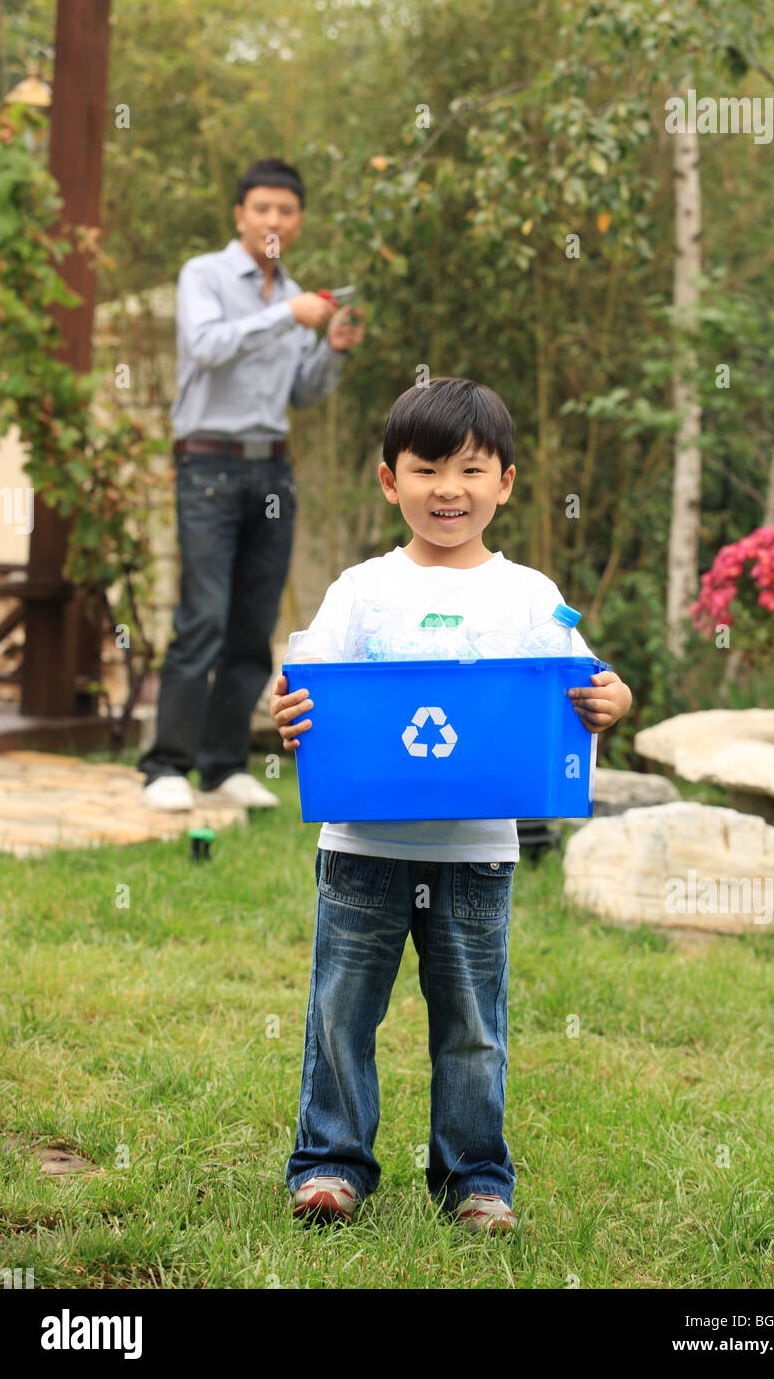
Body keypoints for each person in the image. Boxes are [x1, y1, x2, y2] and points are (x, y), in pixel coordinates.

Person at [270, 377, 632, 1232]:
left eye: (471, 469)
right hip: (361, 845)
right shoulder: (362, 590)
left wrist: (614, 699)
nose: (448, 489)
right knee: (339, 1013)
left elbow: (585, 685)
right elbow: (303, 686)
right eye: (425, 468)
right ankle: (331, 1164)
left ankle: (475, 1177)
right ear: (389, 479)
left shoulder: (529, 595)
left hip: (475, 851)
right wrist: (285, 711)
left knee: (472, 1024)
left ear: (506, 481)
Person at [138, 158, 364, 811]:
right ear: (240, 216)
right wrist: (289, 317)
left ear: (297, 222)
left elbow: (303, 392)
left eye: (285, 210)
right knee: (202, 616)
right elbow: (206, 347)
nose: (272, 219)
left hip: (273, 469)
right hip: (207, 464)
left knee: (253, 622)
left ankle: (223, 764)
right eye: (261, 208)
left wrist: (334, 349)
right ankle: (165, 766)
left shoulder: (296, 296)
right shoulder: (203, 276)